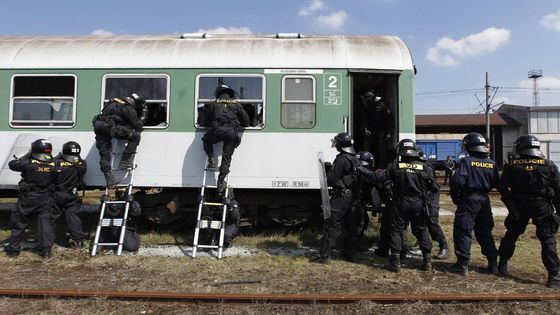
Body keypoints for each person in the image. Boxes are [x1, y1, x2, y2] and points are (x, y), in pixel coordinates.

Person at [357, 139, 435, 272]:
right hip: (419, 203)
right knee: (421, 230)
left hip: (400, 203)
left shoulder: (394, 166)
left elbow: (376, 178)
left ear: (400, 151)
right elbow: (433, 186)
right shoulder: (425, 166)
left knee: (396, 231)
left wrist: (361, 168)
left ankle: (395, 263)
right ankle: (427, 262)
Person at [497, 135, 560, 288]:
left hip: (519, 207)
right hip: (543, 207)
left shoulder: (511, 165)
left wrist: (511, 208)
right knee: (548, 240)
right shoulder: (549, 165)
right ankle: (554, 276)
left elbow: (503, 188)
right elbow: (558, 190)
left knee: (511, 235)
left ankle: (502, 265)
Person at [449, 133, 499, 277]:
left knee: (463, 230)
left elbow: (457, 182)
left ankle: (463, 264)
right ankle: (493, 264)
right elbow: (497, 183)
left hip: (469, 199)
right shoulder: (492, 163)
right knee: (484, 232)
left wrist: (456, 198)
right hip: (485, 200)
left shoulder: (466, 162)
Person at [311, 132, 359, 264]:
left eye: (337, 143)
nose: (336, 145)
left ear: (342, 145)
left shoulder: (341, 159)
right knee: (350, 225)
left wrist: (327, 169)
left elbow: (332, 179)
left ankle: (325, 255)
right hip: (351, 196)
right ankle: (349, 254)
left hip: (341, 196)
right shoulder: (354, 158)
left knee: (331, 223)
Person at [6, 139, 56, 259]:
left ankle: (13, 251)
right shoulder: (54, 163)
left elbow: (12, 164)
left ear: (34, 150)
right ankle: (46, 252)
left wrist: (27, 155)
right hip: (45, 197)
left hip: (28, 197)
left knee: (19, 222)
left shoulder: (27, 163)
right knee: (45, 224)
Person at [92, 93, 147, 188]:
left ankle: (109, 179)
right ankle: (125, 162)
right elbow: (138, 125)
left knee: (104, 153)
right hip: (110, 127)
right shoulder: (128, 109)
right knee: (135, 137)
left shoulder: (113, 101)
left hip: (98, 125)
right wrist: (143, 115)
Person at [202, 84, 250, 193]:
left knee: (206, 139)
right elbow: (246, 121)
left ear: (219, 95)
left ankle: (211, 159)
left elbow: (206, 121)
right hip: (231, 133)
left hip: (217, 130)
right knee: (227, 157)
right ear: (230, 94)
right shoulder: (236, 104)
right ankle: (220, 181)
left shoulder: (213, 104)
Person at [53, 141, 87, 248]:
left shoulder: (56, 163)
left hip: (57, 194)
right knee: (73, 217)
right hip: (72, 194)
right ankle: (78, 241)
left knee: (52, 217)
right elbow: (81, 165)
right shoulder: (81, 164)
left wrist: (58, 156)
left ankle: (53, 238)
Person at [418, 148, 449, 260]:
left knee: (432, 222)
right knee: (420, 223)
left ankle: (444, 245)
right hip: (422, 198)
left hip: (431, 197)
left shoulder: (426, 166)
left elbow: (431, 185)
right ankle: (421, 243)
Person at [358, 90, 393, 168]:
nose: (368, 100)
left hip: (381, 130)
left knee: (381, 149)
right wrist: (365, 128)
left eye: (369, 98)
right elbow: (364, 118)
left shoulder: (382, 104)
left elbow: (389, 119)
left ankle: (381, 166)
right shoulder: (368, 106)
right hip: (372, 130)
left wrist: (389, 132)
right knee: (368, 146)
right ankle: (368, 164)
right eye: (367, 98)